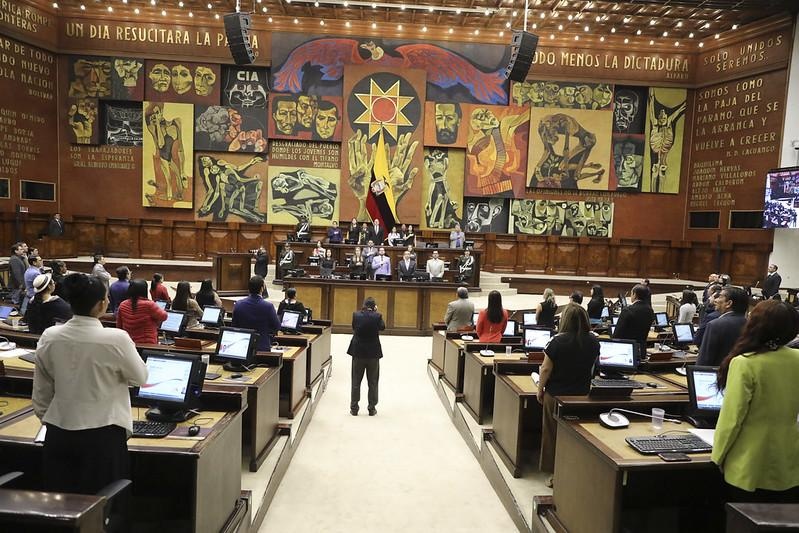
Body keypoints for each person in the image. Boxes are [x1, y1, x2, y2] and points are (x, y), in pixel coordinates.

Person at [33, 273, 147, 507]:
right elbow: (140, 377)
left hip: (58, 434)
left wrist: (53, 420)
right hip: (103, 437)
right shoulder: (116, 339)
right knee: (102, 511)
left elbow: (41, 392)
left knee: (62, 508)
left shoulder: (50, 336)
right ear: (102, 304)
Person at [712, 300, 799, 502]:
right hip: (789, 458)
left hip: (750, 460)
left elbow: (732, 419)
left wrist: (717, 455)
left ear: (754, 324)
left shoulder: (745, 363)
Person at [537, 303, 599, 475]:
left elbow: (546, 369)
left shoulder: (557, 340)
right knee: (576, 435)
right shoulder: (594, 341)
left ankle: (553, 473)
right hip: (582, 394)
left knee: (552, 434)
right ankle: (574, 470)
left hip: (556, 394)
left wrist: (540, 389)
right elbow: (592, 367)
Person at [347, 297, 385, 416]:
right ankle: (371, 408)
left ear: (363, 305)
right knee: (373, 381)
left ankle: (354, 408)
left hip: (358, 352)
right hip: (373, 353)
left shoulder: (356, 315)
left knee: (356, 381)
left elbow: (354, 327)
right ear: (374, 307)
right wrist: (376, 312)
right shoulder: (377, 316)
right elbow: (382, 327)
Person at [697, 287, 748, 367]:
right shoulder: (750, 324)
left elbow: (704, 361)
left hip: (717, 375)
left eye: (720, 297)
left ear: (729, 303)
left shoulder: (715, 325)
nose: (715, 300)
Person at [232, 275, 280, 351]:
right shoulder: (268, 306)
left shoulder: (238, 304)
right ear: (262, 288)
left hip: (242, 347)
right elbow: (277, 326)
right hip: (262, 347)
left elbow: (234, 325)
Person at [116, 279, 168, 344]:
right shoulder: (149, 305)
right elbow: (164, 316)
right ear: (144, 290)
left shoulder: (123, 304)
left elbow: (119, 326)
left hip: (128, 343)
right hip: (147, 344)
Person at [613, 284, 655, 354]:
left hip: (627, 350)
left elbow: (617, 334)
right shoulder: (650, 310)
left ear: (634, 294)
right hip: (641, 349)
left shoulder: (627, 310)